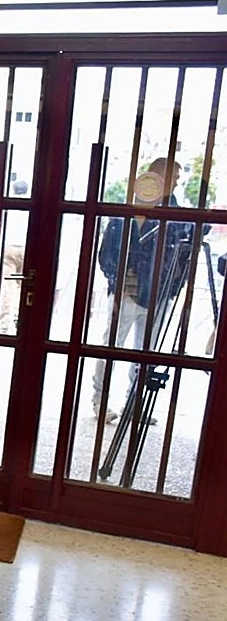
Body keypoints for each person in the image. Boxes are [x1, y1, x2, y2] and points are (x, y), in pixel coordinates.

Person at [92, 157, 193, 422]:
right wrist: (118, 282)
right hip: (128, 293)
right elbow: (106, 254)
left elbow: (186, 251)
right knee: (111, 348)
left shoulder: (177, 215)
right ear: (158, 176)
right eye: (174, 177)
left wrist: (172, 288)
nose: (176, 182)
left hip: (158, 294)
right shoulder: (128, 212)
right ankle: (100, 400)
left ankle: (134, 405)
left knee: (144, 353)